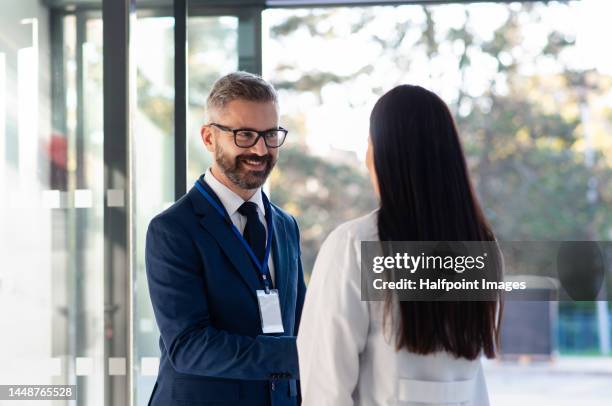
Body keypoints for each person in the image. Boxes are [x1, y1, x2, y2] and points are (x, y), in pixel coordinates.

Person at [297, 85, 502, 405]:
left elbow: (324, 385)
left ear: (385, 153)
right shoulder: (482, 248)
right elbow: (474, 387)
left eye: (369, 141)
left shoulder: (354, 244)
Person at [145, 71, 306, 406]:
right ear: (208, 138)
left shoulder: (286, 225)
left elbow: (302, 320)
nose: (261, 149)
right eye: (245, 135)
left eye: (270, 134)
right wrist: (302, 353)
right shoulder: (173, 229)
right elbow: (189, 346)